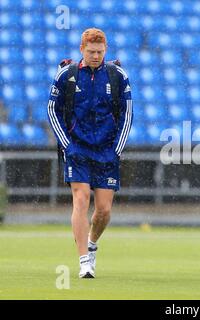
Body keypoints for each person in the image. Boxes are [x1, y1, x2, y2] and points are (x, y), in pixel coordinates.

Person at [47, 28, 133, 278]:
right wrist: (67, 145)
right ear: (82, 50)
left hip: (107, 150)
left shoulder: (117, 75)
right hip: (78, 148)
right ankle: (84, 260)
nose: (96, 56)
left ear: (105, 50)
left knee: (104, 210)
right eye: (91, 51)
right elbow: (52, 110)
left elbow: (127, 114)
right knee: (81, 198)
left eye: (100, 51)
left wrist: (117, 148)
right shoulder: (67, 74)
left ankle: (92, 242)